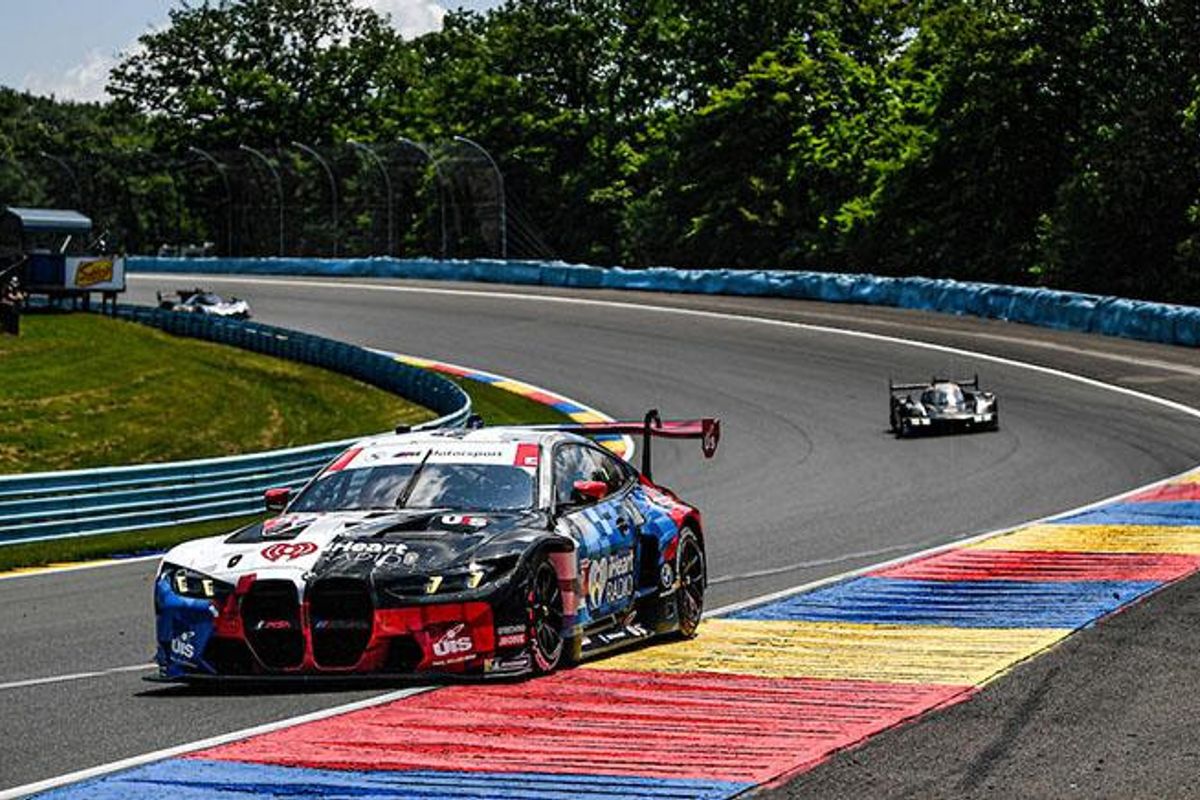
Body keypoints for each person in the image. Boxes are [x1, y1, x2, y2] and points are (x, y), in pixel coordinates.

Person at [0, 269, 24, 336]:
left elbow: (19, 296)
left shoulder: (15, 288)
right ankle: (6, 330)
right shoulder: (6, 287)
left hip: (11, 305)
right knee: (8, 309)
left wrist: (17, 297)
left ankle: (13, 331)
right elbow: (7, 296)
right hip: (5, 304)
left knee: (14, 311)